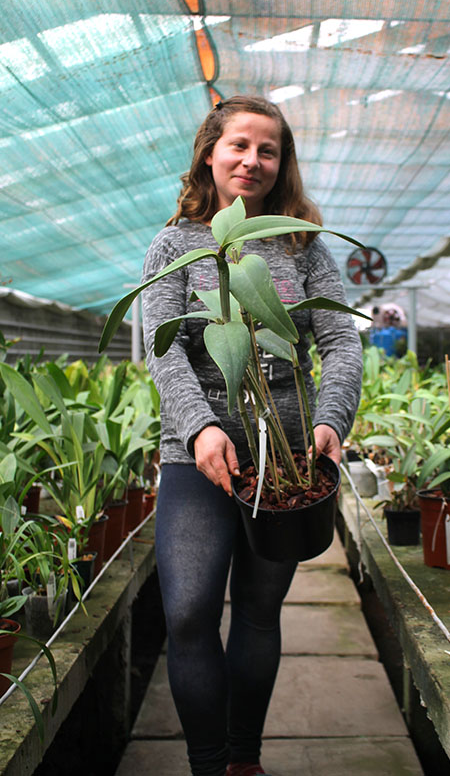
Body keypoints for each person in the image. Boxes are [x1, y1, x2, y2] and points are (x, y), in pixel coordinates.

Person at [141, 95, 363, 776]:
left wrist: (330, 420)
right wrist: (201, 428)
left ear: (281, 163)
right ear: (211, 151)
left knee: (260, 612)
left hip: (289, 460)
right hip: (195, 457)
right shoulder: (174, 245)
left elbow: (341, 342)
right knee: (187, 611)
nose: (252, 160)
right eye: (239, 145)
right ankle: (208, 762)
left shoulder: (303, 245)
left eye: (268, 150)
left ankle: (244, 760)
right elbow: (163, 349)